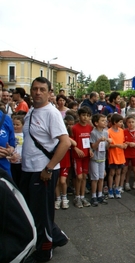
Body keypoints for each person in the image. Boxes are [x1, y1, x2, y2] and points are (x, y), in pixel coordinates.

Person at [19, 77, 70, 262]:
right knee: (32, 210)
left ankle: (44, 251)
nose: (37, 92)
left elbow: (65, 143)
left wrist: (48, 169)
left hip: (43, 171)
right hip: (28, 168)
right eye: (34, 89)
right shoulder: (31, 111)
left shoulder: (51, 113)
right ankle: (57, 236)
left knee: (41, 214)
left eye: (42, 89)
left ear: (50, 93)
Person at [71, 106, 93, 208]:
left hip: (86, 156)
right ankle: (77, 197)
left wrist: (91, 150)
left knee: (84, 177)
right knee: (79, 177)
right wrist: (76, 148)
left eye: (88, 116)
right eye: (83, 115)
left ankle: (82, 196)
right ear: (79, 116)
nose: (85, 118)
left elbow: (90, 142)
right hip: (77, 156)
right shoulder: (74, 128)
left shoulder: (90, 128)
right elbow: (70, 141)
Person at [89, 114, 111, 206]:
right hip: (95, 158)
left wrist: (109, 142)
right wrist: (99, 141)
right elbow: (93, 146)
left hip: (102, 158)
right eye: (102, 120)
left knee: (101, 177)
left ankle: (100, 194)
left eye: (105, 120)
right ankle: (93, 196)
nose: (105, 122)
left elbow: (106, 147)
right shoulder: (93, 133)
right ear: (96, 123)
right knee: (95, 178)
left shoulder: (106, 132)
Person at [107, 114, 127, 199]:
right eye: (120, 122)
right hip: (112, 155)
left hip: (120, 155)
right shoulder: (108, 132)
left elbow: (123, 142)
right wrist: (117, 146)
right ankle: (110, 188)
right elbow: (107, 146)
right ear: (115, 122)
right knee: (112, 173)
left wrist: (124, 145)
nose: (122, 123)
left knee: (118, 172)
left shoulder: (122, 131)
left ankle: (116, 188)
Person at [122, 115, 135, 196]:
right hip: (125, 154)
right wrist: (126, 143)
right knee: (124, 170)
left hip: (134, 155)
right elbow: (121, 142)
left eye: (132, 122)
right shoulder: (124, 132)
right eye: (129, 122)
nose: (131, 124)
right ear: (126, 123)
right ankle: (123, 185)